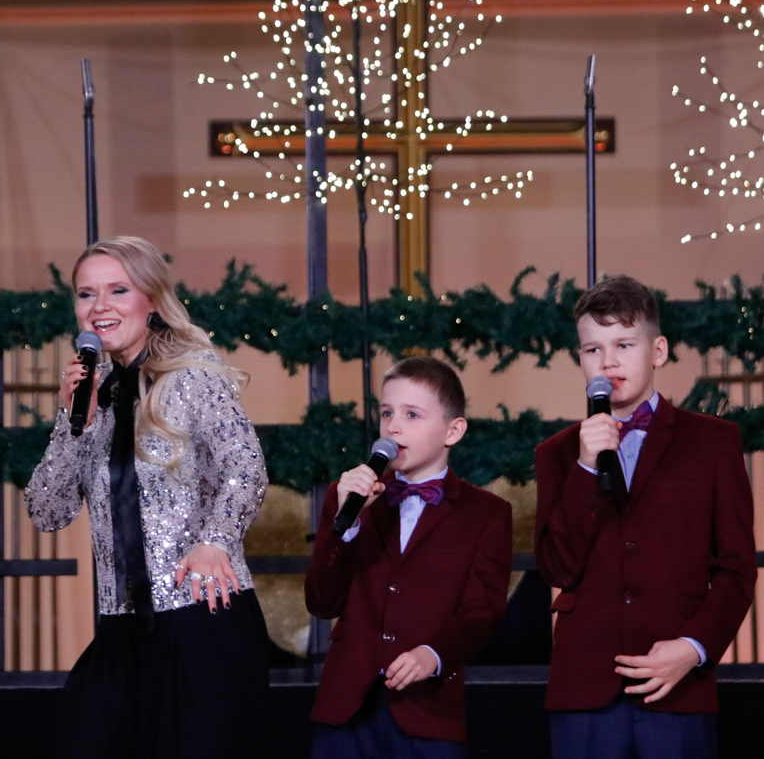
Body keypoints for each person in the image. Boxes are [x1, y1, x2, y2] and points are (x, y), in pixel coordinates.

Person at [25, 235, 270, 758]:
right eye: (87, 294)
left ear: (152, 299)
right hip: (121, 630)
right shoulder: (93, 395)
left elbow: (246, 467)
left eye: (118, 289)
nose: (101, 306)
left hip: (200, 620)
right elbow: (47, 511)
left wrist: (216, 541)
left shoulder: (193, 377)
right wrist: (72, 423)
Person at [535, 275, 756, 759]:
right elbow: (557, 568)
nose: (607, 361)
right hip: (584, 688)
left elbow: (737, 567)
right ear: (580, 359)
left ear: (658, 351)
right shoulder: (557, 454)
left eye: (624, 344)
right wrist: (585, 468)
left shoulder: (713, 443)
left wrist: (694, 646)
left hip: (677, 686)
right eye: (592, 349)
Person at [305, 356, 512, 758]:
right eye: (387, 413)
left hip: (427, 712)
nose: (393, 427)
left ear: (453, 430)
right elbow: (321, 602)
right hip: (345, 712)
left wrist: (433, 655)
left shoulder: (486, 513)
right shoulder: (348, 497)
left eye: (412, 414)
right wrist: (347, 524)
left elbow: (482, 610)